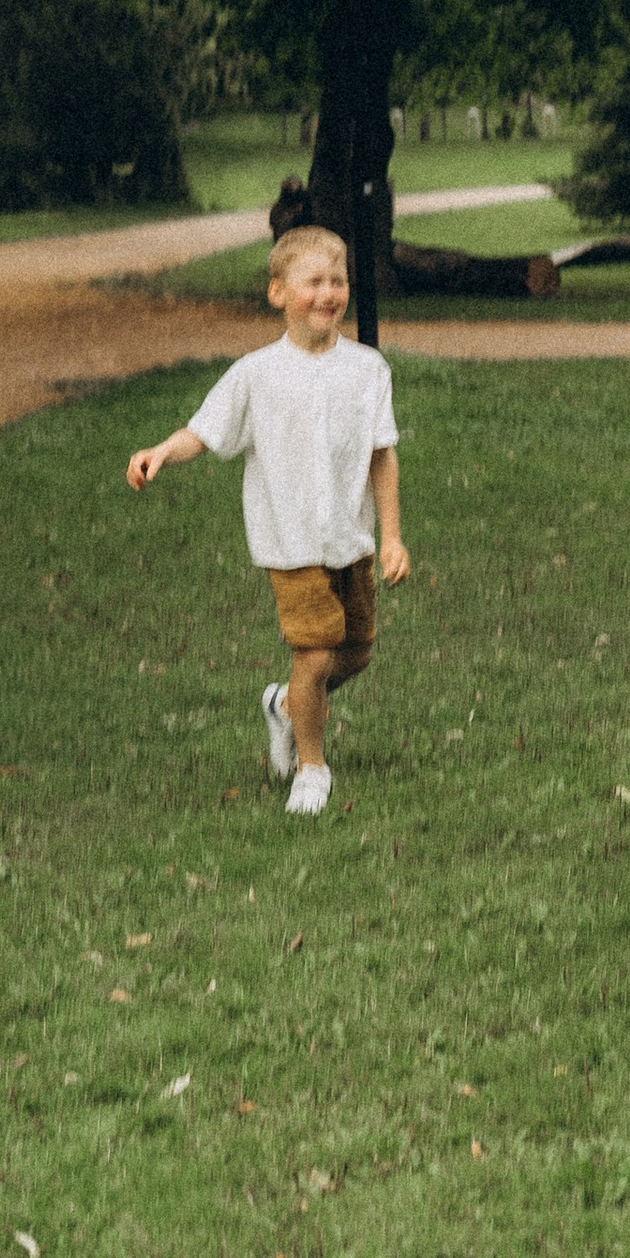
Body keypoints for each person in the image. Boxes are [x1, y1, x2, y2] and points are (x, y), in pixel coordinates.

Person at [124, 222, 408, 816]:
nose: (328, 294)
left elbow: (383, 454)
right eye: (313, 282)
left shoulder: (368, 370)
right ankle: (311, 766)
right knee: (313, 655)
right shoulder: (256, 374)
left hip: (348, 540)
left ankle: (284, 706)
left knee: (355, 653)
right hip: (290, 541)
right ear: (278, 292)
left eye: (338, 281)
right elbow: (202, 433)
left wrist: (391, 537)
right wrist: (160, 453)